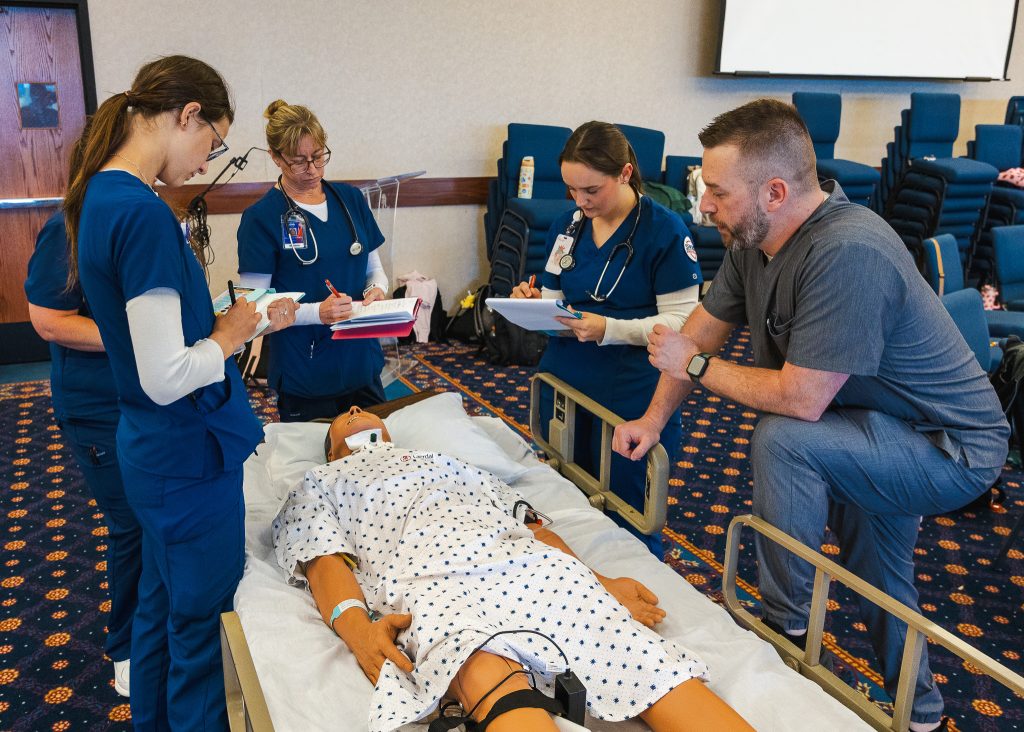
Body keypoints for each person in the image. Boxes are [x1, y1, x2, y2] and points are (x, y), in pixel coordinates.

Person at [612, 99, 1010, 732]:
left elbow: (797, 399)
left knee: (784, 439)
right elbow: (701, 334)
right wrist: (655, 420)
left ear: (774, 191)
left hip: (949, 448)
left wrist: (693, 368)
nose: (704, 204)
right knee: (878, 572)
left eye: (716, 190)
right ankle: (924, 714)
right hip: (866, 425)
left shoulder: (848, 252)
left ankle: (780, 626)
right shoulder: (752, 239)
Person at [64, 55, 297, 730]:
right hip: (185, 458)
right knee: (197, 628)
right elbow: (164, 373)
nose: (205, 162)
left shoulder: (103, 197)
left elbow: (153, 338)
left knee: (161, 607)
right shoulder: (142, 215)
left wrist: (230, 323)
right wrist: (226, 336)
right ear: (185, 115)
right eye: (211, 143)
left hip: (153, 454)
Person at [272, 406, 753, 732]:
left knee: (629, 650)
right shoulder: (322, 480)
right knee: (477, 659)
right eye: (343, 418)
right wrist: (359, 631)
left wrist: (597, 580)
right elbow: (321, 558)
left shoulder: (445, 461)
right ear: (332, 451)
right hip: (426, 579)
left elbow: (529, 523)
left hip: (520, 559)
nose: (355, 412)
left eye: (361, 410)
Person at [510, 121, 702, 556]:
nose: (581, 201)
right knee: (565, 505)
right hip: (565, 384)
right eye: (572, 190)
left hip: (629, 393)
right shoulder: (569, 226)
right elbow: (559, 301)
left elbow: (685, 323)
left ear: (625, 173)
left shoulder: (664, 232)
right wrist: (535, 302)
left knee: (627, 517)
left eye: (591, 190)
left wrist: (608, 329)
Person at [24, 210, 141, 698]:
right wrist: (138, 340)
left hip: (139, 398)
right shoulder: (69, 225)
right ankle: (127, 647)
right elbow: (49, 321)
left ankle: (155, 629)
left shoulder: (143, 212)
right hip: (97, 406)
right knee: (130, 525)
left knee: (153, 522)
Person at [236, 100, 390, 422]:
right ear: (276, 157)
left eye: (318, 157)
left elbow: (373, 267)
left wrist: (377, 288)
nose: (313, 170)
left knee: (377, 456)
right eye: (299, 162)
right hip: (305, 370)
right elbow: (253, 308)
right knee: (314, 464)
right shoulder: (261, 219)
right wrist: (317, 313)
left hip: (361, 361)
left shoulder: (350, 200)